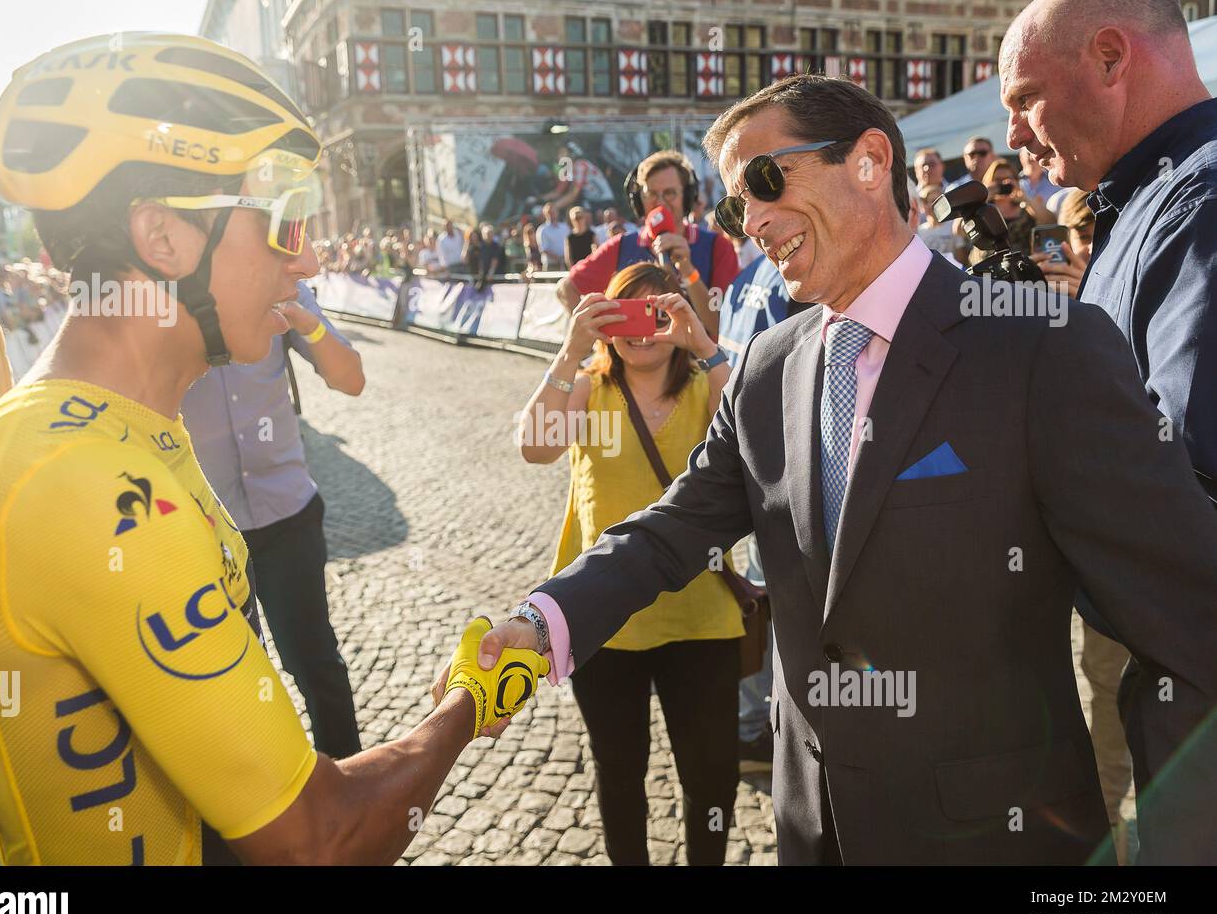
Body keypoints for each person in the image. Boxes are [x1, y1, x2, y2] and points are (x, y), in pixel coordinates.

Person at [443, 72, 1217, 865]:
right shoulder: (766, 367)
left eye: (767, 182)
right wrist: (542, 625)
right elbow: (672, 529)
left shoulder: (1043, 345)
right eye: (737, 207)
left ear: (871, 162)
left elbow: (1185, 616)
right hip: (813, 827)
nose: (754, 223)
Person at [0, 33, 547, 866]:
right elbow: (320, 841)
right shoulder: (83, 485)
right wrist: (475, 693)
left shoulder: (104, 429)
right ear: (164, 239)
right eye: (284, 221)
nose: (310, 257)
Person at [1002, 0, 1217, 863]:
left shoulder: (1198, 201)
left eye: (1024, 98)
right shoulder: (1148, 200)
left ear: (1109, 56)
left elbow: (1180, 487)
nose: (1014, 134)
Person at [518, 261, 741, 864]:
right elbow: (535, 445)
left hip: (703, 616)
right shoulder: (589, 386)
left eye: (656, 312)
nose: (641, 329)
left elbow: (757, 438)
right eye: (626, 313)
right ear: (604, 321)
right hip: (603, 618)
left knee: (712, 778)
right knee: (619, 775)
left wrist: (706, 345)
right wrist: (570, 352)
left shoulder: (704, 386)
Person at [180, 281, 364, 759]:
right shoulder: (158, 293)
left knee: (317, 665)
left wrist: (307, 322)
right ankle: (267, 809)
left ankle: (347, 796)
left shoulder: (279, 280)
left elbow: (352, 379)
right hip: (203, 531)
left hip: (288, 515)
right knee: (233, 684)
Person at [714, 230, 805, 773]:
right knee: (777, 608)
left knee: (759, 605)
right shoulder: (785, 277)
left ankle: (752, 726)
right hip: (784, 475)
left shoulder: (743, 280)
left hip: (754, 467)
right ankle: (763, 728)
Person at [559, 150, 739, 338]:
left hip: (697, 364)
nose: (660, 202)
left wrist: (687, 271)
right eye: (651, 193)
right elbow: (567, 288)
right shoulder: (621, 246)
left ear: (687, 197)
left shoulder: (718, 247)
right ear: (639, 200)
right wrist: (599, 342)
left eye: (669, 193)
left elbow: (721, 327)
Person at [963, 158, 1053, 267]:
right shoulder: (980, 211)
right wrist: (982, 198)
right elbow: (959, 230)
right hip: (987, 271)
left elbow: (1050, 220)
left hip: (1024, 268)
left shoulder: (1026, 208)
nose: (1002, 183)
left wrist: (1025, 197)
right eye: (997, 180)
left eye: (1007, 179)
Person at [914, 183, 964, 263]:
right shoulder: (919, 232)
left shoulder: (954, 226)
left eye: (938, 201)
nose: (936, 205)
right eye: (931, 201)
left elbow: (961, 256)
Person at [535, 202, 571, 271]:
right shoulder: (542, 230)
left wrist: (565, 258)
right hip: (551, 265)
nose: (552, 214)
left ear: (557, 212)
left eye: (554, 211)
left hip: (566, 263)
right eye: (549, 212)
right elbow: (543, 249)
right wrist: (559, 258)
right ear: (545, 214)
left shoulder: (565, 227)